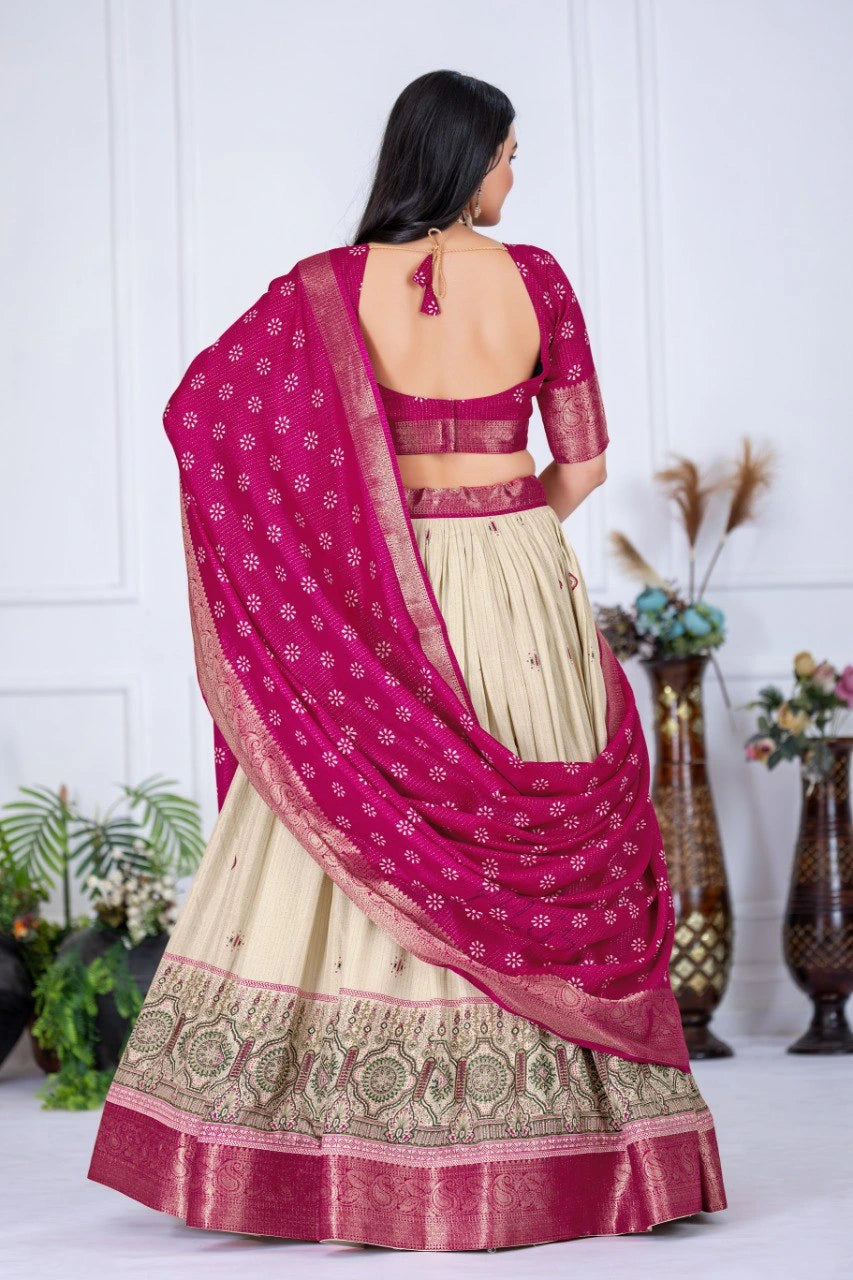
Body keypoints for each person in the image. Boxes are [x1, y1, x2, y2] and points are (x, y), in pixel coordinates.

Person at [86, 69, 727, 1250]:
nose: (514, 174)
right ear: (464, 159)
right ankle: (593, 1150)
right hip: (519, 579)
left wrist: (346, 546)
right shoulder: (537, 281)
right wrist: (507, 528)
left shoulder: (327, 289)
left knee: (358, 817)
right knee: (537, 846)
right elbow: (584, 466)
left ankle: (336, 1154)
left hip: (384, 588)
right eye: (507, 153)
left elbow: (205, 414)